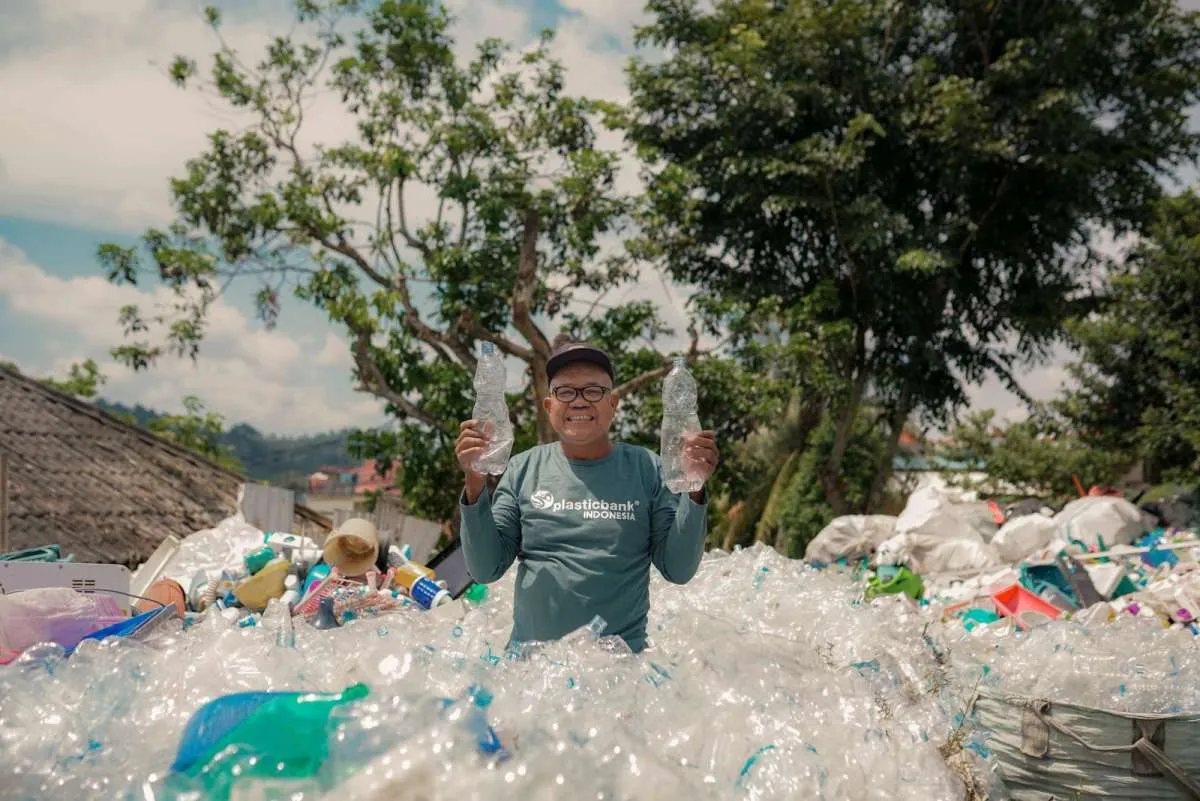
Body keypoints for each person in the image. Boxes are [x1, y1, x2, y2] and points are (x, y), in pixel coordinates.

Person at [456, 338, 720, 654]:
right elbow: (486, 568)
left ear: (614, 402)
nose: (580, 401)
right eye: (566, 391)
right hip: (530, 672)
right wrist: (474, 480)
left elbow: (678, 570)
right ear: (549, 405)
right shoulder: (522, 469)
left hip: (615, 673)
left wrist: (694, 486)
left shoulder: (647, 469)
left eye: (594, 391)